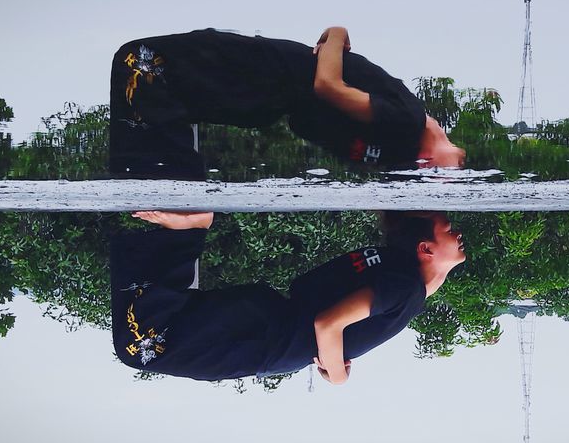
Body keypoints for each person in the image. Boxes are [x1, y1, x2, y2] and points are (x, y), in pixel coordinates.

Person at [110, 210, 466, 384]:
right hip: (264, 337)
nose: (458, 233)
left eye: (449, 229)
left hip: (266, 326)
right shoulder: (406, 287)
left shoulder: (398, 273)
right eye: (450, 231)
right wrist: (338, 373)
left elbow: (328, 320)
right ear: (425, 249)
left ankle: (184, 235)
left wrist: (337, 364)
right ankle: (187, 233)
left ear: (426, 249)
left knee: (151, 339)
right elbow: (328, 324)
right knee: (142, 348)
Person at [109, 27, 466, 177]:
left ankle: (170, 192)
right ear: (458, 151)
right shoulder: (407, 118)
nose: (431, 171)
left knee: (143, 68)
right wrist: (337, 32)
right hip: (261, 72)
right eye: (445, 171)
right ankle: (166, 188)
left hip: (262, 98)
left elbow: (311, 118)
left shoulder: (398, 155)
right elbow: (327, 86)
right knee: (140, 62)